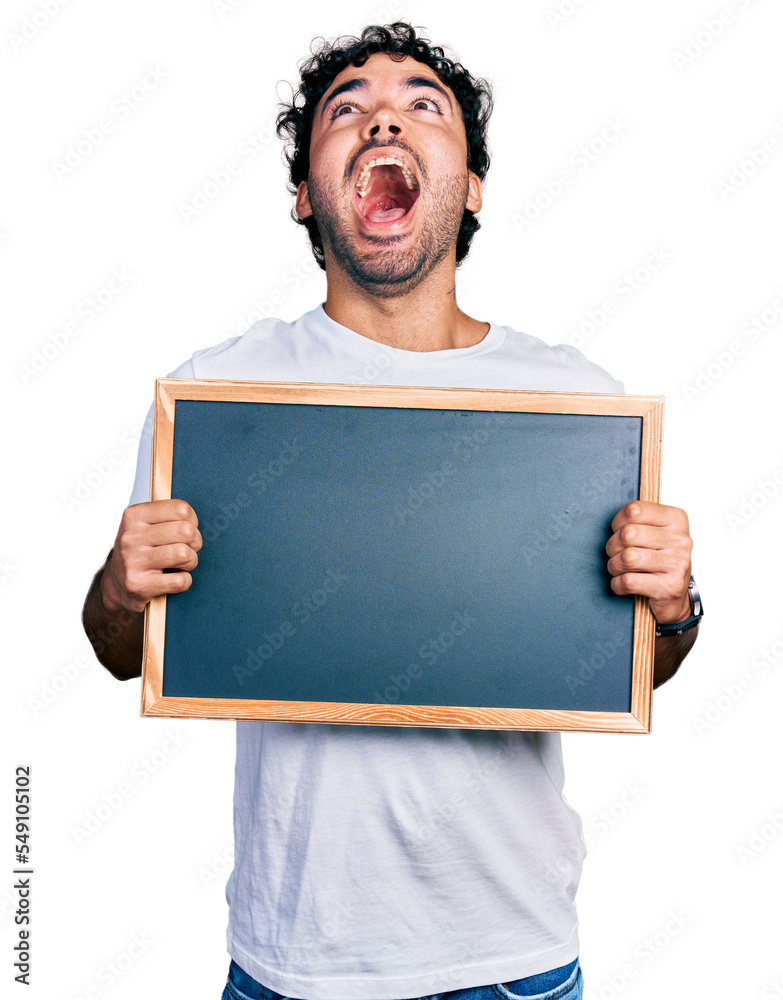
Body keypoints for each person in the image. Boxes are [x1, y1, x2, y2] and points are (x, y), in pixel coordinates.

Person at [82, 22, 699, 1000]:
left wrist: (674, 606)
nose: (382, 119)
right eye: (347, 110)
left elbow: (631, 667)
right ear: (303, 193)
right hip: (292, 964)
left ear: (475, 186)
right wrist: (119, 585)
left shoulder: (575, 402)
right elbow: (121, 646)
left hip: (509, 960)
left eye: (422, 106)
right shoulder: (219, 394)